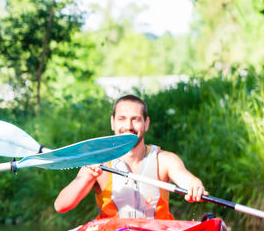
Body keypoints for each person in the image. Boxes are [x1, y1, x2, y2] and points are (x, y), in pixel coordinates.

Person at [54, 94, 206, 219]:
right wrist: (87, 177)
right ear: (113, 123)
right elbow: (61, 205)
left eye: (136, 119)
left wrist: (195, 185)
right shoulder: (98, 163)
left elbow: (186, 178)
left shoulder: (165, 160)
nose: (128, 126)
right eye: (122, 119)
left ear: (146, 124)